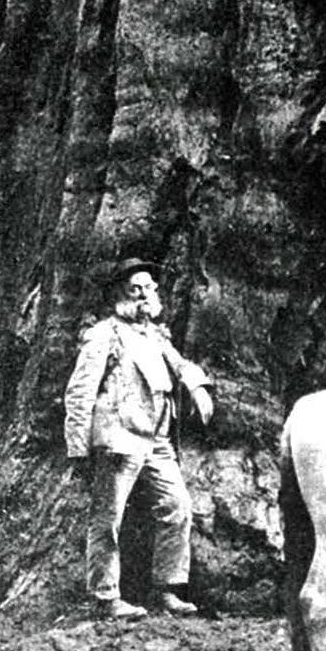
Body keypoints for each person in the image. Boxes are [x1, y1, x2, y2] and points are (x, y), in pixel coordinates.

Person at [64, 259, 215, 622]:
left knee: (177, 506)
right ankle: (106, 597)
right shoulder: (105, 333)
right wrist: (78, 447)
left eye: (151, 288)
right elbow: (80, 391)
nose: (147, 295)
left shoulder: (155, 334)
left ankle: (168, 588)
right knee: (108, 518)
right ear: (120, 294)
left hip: (157, 440)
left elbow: (180, 366)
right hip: (119, 438)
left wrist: (197, 387)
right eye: (137, 289)